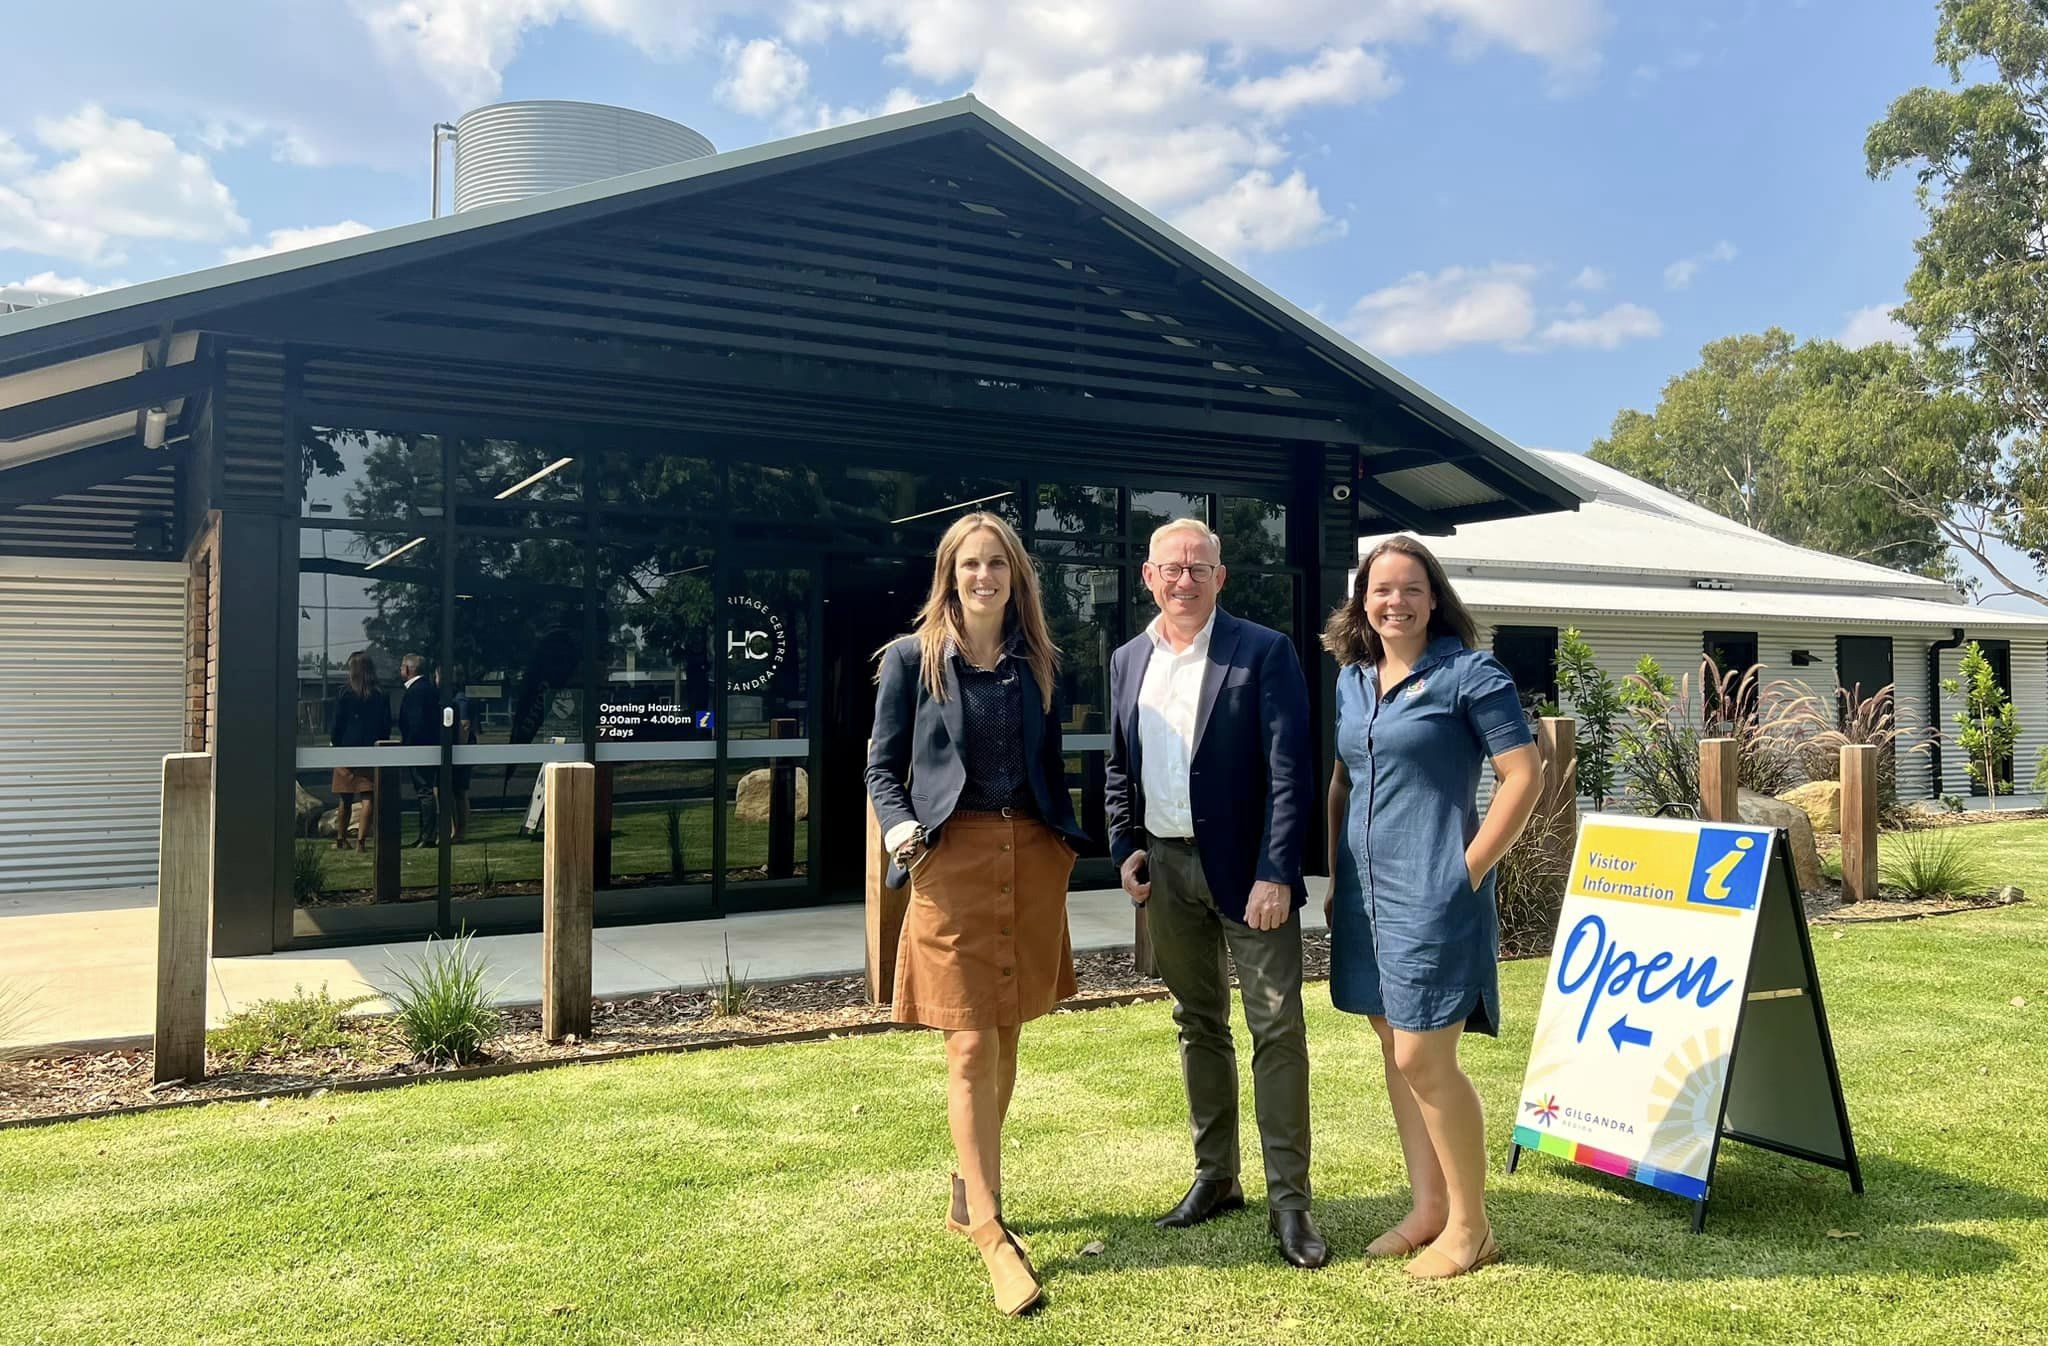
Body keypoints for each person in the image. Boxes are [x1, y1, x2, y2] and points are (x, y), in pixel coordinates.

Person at [866, 510, 1086, 1318]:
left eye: (997, 564)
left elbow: (1049, 763)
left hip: (1028, 857)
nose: (984, 576)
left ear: (1015, 576)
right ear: (949, 576)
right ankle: (992, 1232)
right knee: (967, 1044)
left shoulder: (1040, 664)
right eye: (969, 566)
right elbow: (881, 768)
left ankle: (967, 1191)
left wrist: (1062, 846)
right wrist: (903, 836)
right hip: (949, 862)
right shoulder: (908, 661)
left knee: (1008, 1033)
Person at [1105, 517, 1325, 1270]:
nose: (1185, 580)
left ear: (1221, 578)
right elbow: (1116, 767)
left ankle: (1290, 1205)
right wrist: (1125, 845)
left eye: (1200, 567)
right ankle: (1215, 1179)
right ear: (1149, 576)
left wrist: (1278, 871)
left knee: (1276, 1029)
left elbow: (1291, 770)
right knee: (1197, 1023)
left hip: (1249, 875)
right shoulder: (1127, 660)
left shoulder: (1263, 651)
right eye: (1172, 567)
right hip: (1165, 871)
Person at [1323, 535, 1542, 1279]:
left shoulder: (1471, 676)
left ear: (1434, 597)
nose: (1395, 601)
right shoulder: (1353, 680)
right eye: (1380, 589)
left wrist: (1468, 869)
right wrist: (1332, 874)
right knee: (1394, 1050)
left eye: (1410, 588)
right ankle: (1428, 1209)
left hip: (1435, 891)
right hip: (1364, 895)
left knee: (1424, 1054)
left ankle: (1471, 1225)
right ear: (1363, 601)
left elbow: (1524, 774)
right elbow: (1343, 780)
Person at [327, 651, 390, 852]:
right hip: (371, 748)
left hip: (346, 748)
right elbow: (385, 724)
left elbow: (338, 723)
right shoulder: (381, 694)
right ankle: (361, 842)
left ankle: (341, 838)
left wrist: (335, 743)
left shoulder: (344, 693)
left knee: (344, 796)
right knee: (367, 796)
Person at [397, 652, 441, 849]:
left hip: (419, 747)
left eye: (401, 667)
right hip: (429, 745)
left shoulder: (416, 692)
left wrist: (409, 746)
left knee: (424, 791)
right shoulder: (430, 689)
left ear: (408, 669)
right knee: (425, 790)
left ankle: (428, 835)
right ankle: (426, 834)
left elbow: (415, 723)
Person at [436, 664, 477, 843]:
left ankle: (461, 830)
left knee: (459, 791)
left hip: (459, 752)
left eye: (437, 676)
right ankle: (454, 829)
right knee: (451, 792)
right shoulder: (448, 699)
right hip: (453, 751)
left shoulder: (460, 700)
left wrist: (458, 757)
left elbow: (464, 728)